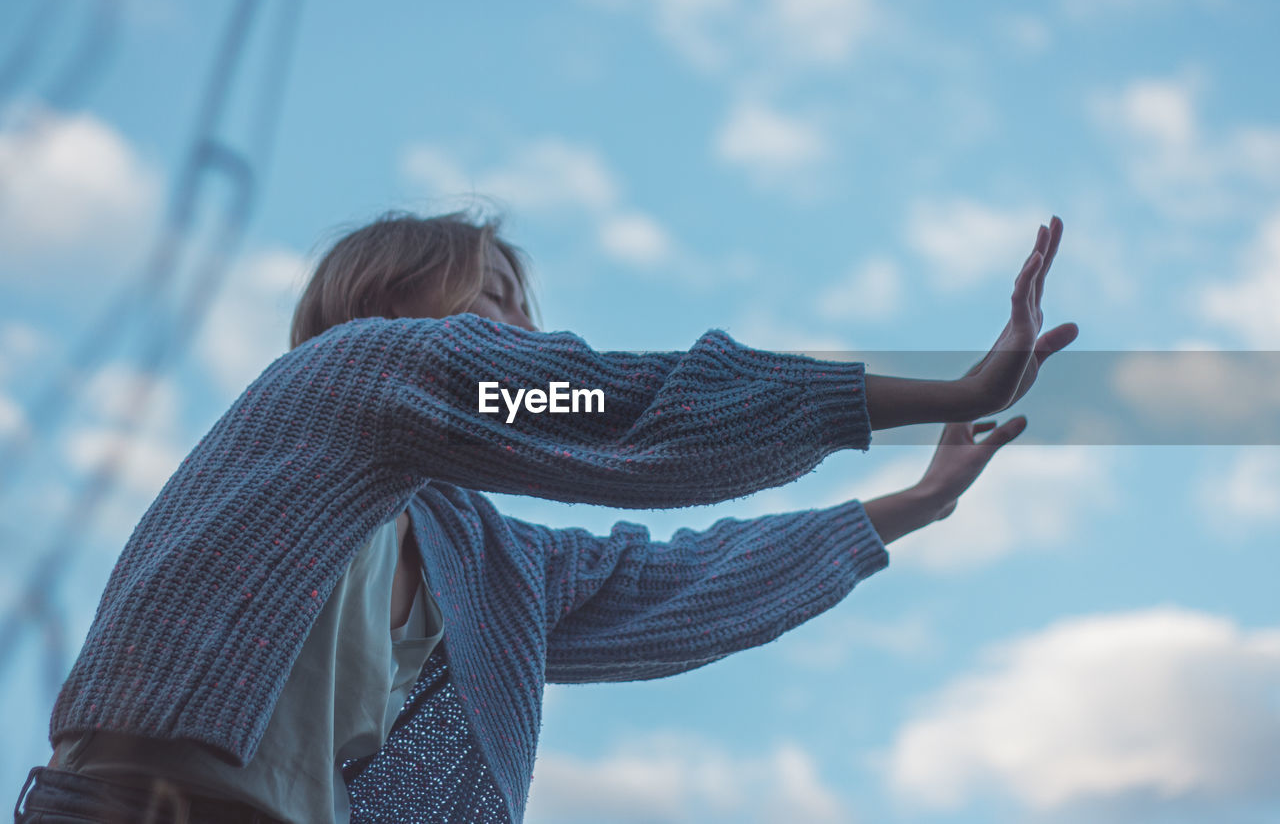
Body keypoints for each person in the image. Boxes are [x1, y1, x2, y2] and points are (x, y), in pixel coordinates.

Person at [15, 211, 1077, 823]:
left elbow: (675, 583)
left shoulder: (482, 556)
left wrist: (915, 502)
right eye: (495, 296)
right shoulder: (356, 374)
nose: (530, 329)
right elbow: (616, 406)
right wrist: (944, 391)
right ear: (389, 301)